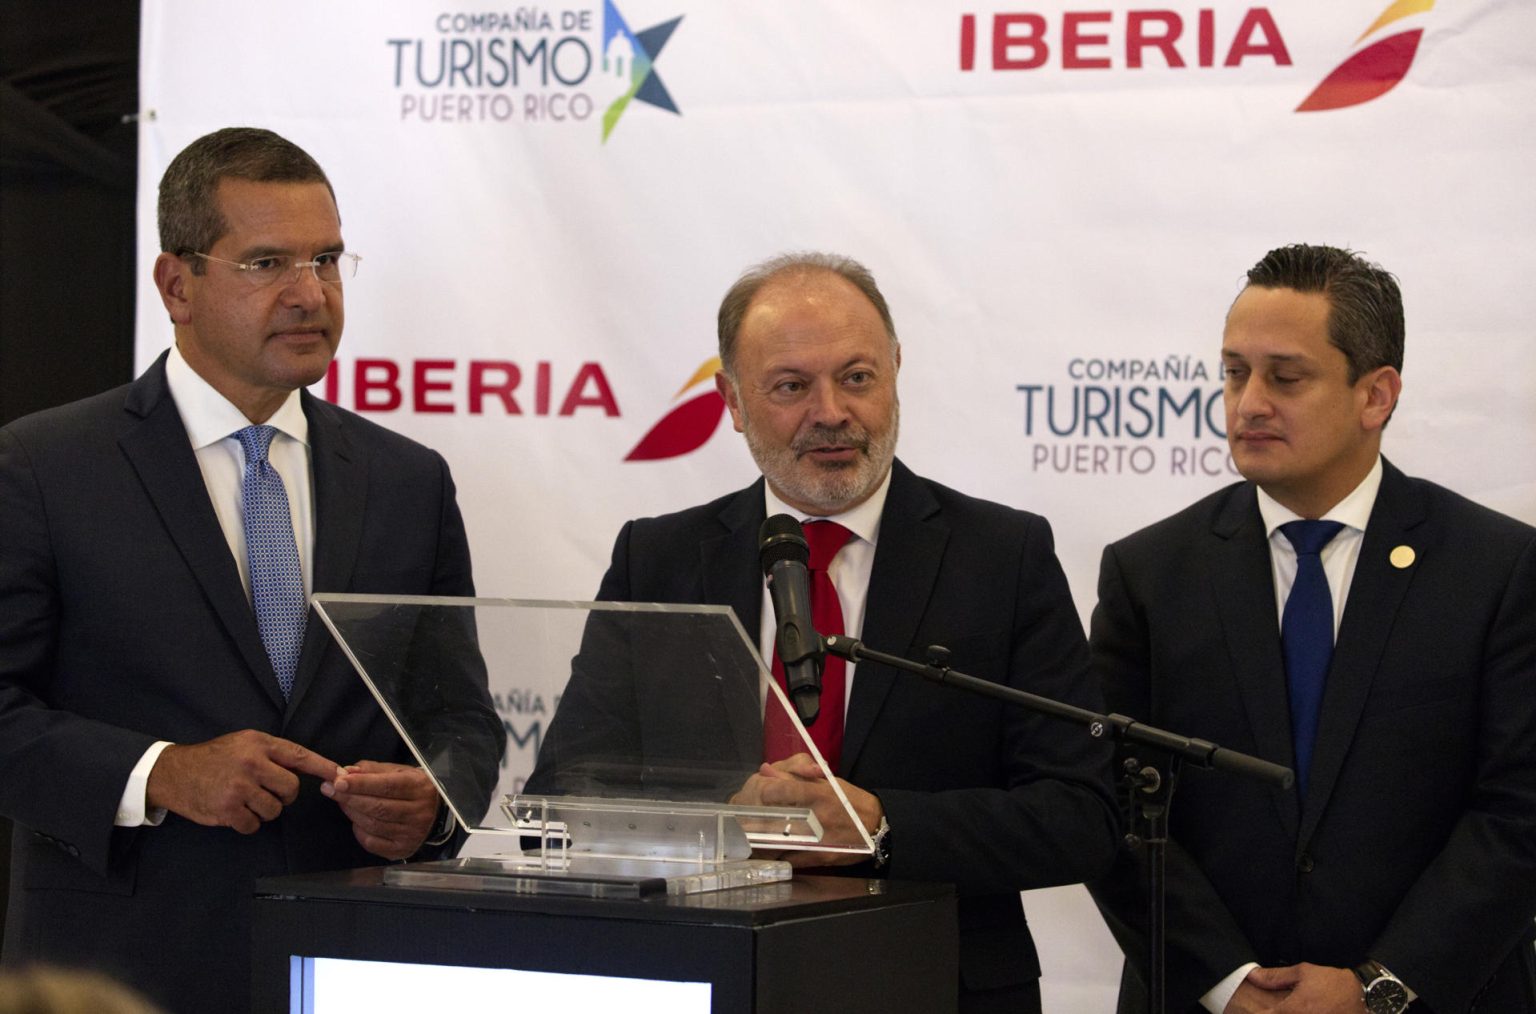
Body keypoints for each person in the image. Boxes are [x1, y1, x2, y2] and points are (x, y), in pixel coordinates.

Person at [0, 127, 501, 1014]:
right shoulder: (44, 468)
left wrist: (430, 801)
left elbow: (457, 719)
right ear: (176, 285)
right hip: (119, 970)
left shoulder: (405, 481)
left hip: (353, 961)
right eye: (267, 262)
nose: (311, 294)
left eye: (328, 259)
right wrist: (157, 773)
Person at [574, 251, 1120, 1013]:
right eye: (792, 386)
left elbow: (1080, 816)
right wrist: (714, 830)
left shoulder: (1002, 557)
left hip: (936, 984)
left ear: (895, 370)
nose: (831, 411)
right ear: (732, 400)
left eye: (857, 377)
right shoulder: (657, 560)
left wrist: (881, 826)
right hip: (704, 973)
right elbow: (569, 795)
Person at [1088, 244, 1536, 1014]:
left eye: (1284, 377)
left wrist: (1382, 987)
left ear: (1376, 395)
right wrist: (1227, 981)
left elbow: (1519, 813)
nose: (1247, 403)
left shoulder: (1498, 569)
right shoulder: (1150, 573)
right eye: (1234, 372)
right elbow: (1106, 805)